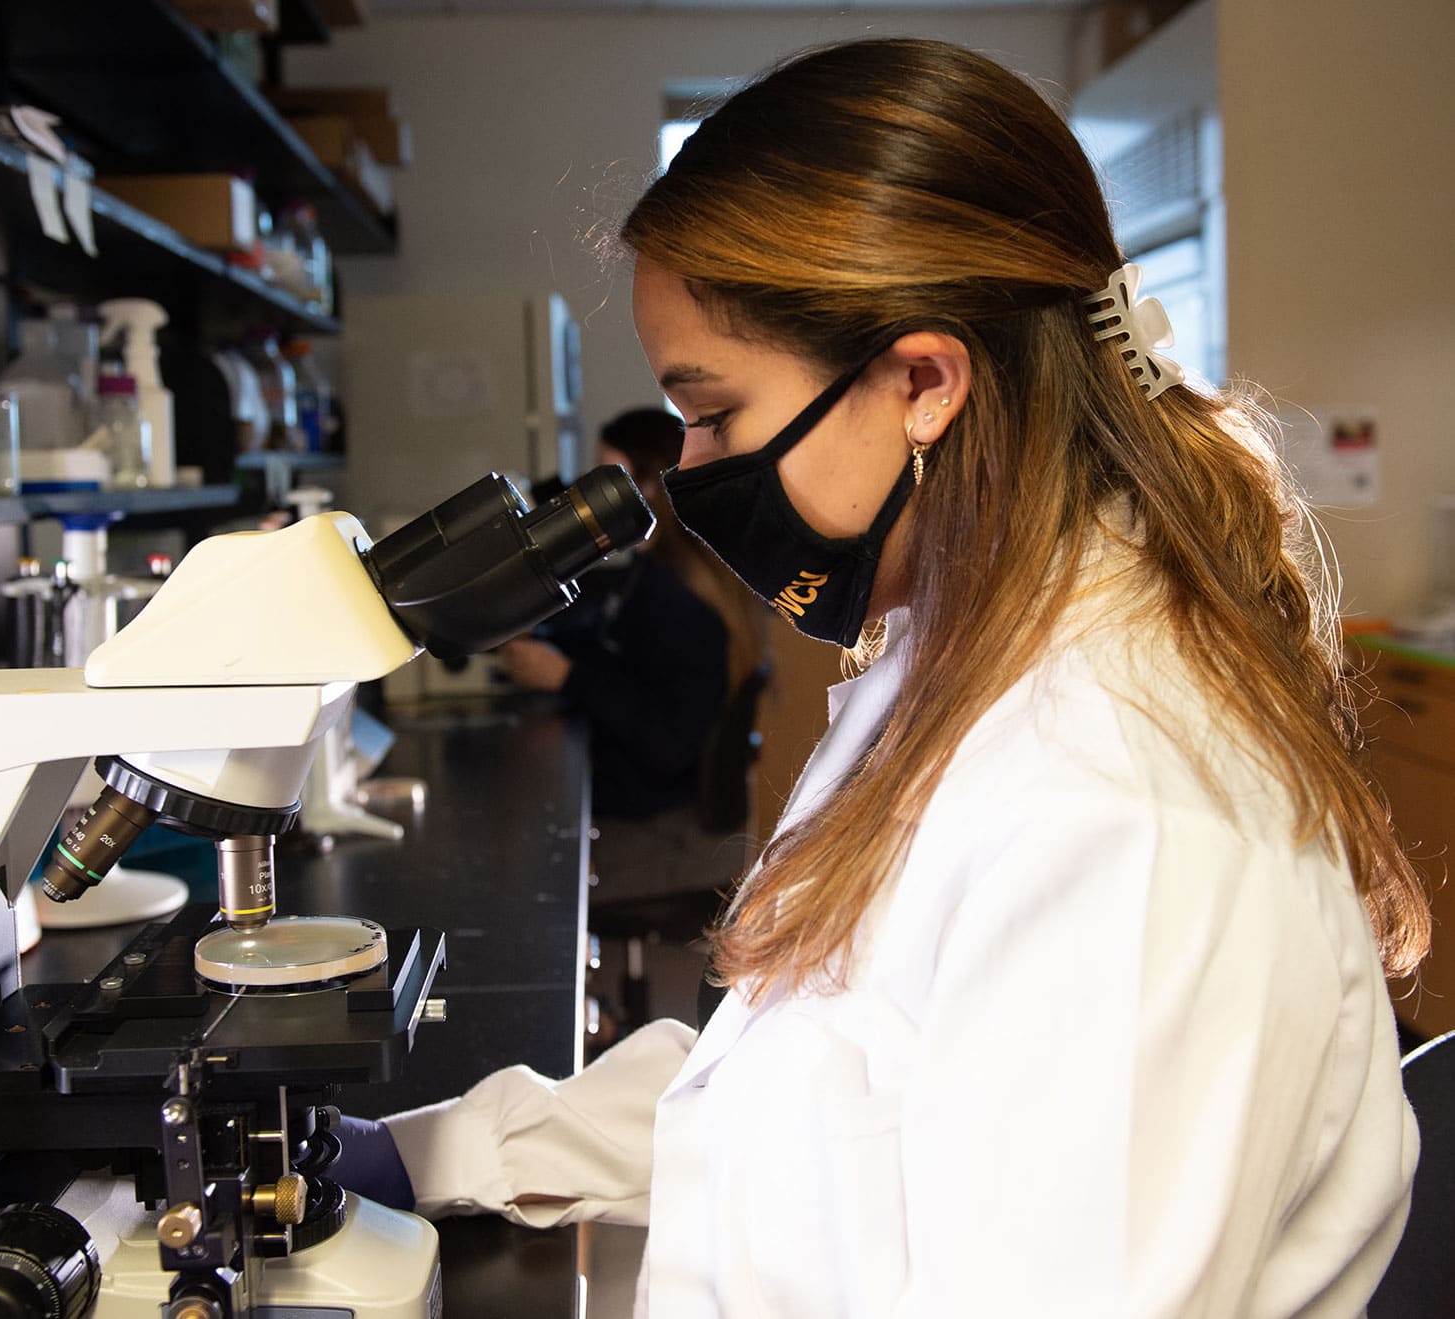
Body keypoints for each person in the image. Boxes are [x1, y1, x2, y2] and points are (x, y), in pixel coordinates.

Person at [339, 39, 1429, 1317]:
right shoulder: (952, 660)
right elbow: (797, 1096)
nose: (688, 471)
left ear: (921, 382)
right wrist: (436, 1151)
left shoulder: (1126, 810)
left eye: (716, 414)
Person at [501, 410, 768, 909]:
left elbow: (667, 741)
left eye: (606, 480)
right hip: (659, 813)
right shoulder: (659, 574)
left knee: (516, 879)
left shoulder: (679, 596)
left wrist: (566, 676)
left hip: (673, 836)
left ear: (648, 487)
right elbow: (627, 661)